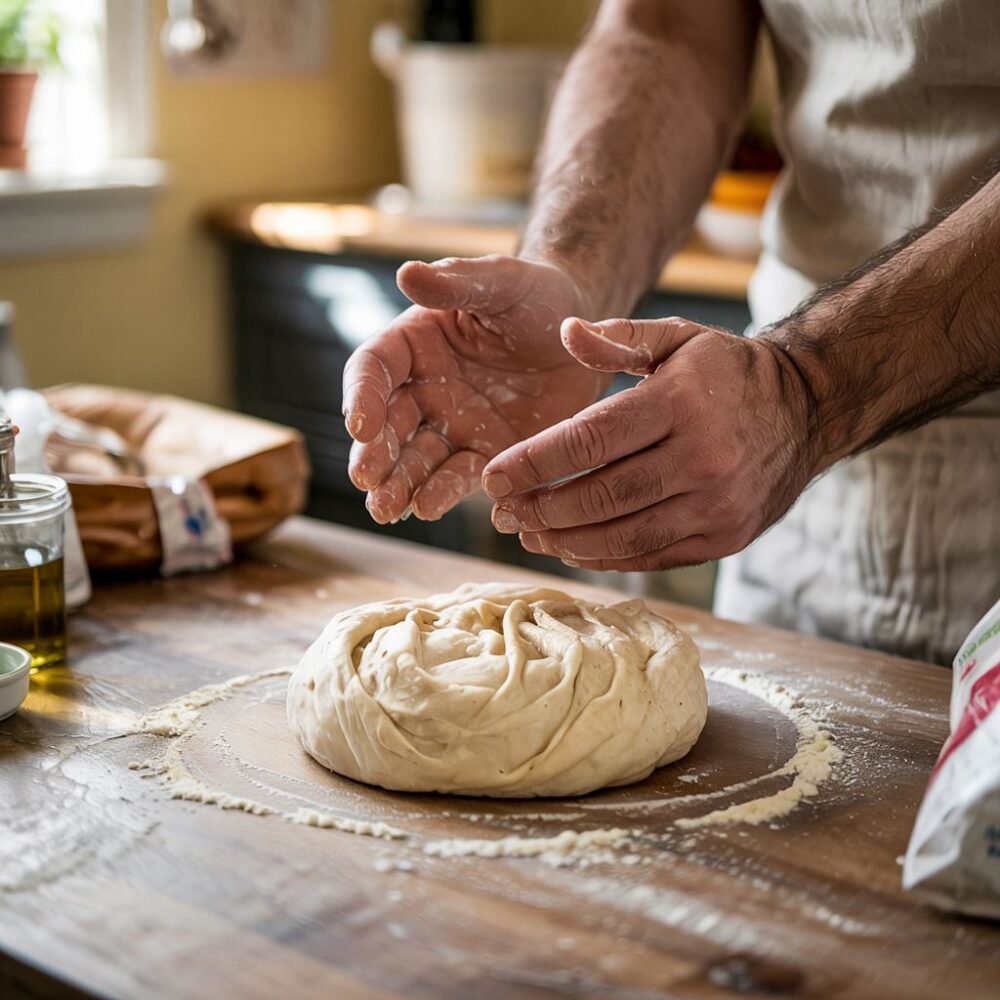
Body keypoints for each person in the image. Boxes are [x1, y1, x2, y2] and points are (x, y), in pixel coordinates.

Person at [342, 0, 1000, 665]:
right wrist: (571, 273)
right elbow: (665, 31)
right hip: (792, 504)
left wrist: (812, 390)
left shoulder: (795, 400)